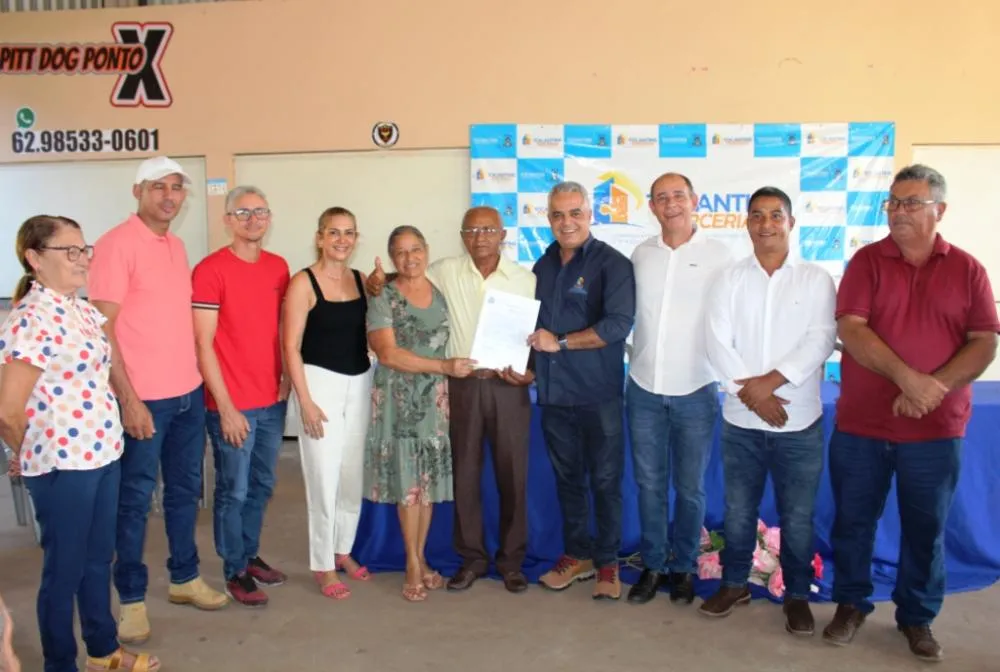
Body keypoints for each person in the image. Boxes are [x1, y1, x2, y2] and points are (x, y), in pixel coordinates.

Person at [823, 165, 999, 662]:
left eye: (911, 203)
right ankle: (851, 604)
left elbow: (984, 342)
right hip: (862, 427)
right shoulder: (866, 261)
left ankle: (917, 617)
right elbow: (852, 330)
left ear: (939, 210)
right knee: (853, 522)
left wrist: (934, 387)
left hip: (935, 430)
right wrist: (909, 379)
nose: (899, 212)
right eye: (894, 202)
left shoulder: (968, 269)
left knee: (926, 529)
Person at [0, 215, 160, 671]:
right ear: (34, 259)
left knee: (97, 560)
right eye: (68, 251)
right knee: (63, 572)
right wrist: (23, 455)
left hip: (103, 454)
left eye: (83, 249)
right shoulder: (30, 320)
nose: (81, 259)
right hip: (62, 465)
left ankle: (103, 652)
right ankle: (60, 663)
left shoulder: (83, 310)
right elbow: (8, 410)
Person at [88, 156, 228, 643]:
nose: (169, 196)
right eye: (157, 187)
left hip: (186, 393)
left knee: (185, 494)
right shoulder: (114, 245)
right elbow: (102, 331)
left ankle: (184, 578)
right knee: (133, 502)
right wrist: (127, 398)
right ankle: (130, 599)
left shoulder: (176, 244)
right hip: (145, 400)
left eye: (176, 188)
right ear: (137, 192)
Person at [366, 206, 537, 593]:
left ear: (503, 234)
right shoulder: (443, 271)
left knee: (513, 477)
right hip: (459, 387)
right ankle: (472, 559)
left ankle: (511, 562)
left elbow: (536, 332)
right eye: (472, 230)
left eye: (488, 229)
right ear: (462, 235)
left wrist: (533, 372)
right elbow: (404, 278)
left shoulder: (526, 279)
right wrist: (375, 282)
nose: (480, 237)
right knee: (464, 476)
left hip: (508, 386)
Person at [701, 187, 836, 635]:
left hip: (797, 421)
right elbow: (716, 342)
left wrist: (769, 385)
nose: (765, 224)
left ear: (791, 223)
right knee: (738, 510)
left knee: (798, 515)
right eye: (756, 216)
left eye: (775, 216)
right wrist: (753, 395)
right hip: (740, 421)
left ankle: (797, 594)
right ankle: (734, 582)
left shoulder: (816, 279)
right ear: (747, 224)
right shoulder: (729, 279)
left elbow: (819, 340)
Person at [626, 173, 735, 605]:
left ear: (695, 201)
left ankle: (684, 568)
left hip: (696, 387)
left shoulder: (720, 255)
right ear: (651, 206)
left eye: (678, 196)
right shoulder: (640, 254)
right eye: (660, 198)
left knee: (690, 488)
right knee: (649, 485)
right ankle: (653, 565)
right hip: (643, 388)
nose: (670, 204)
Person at [529, 181, 636, 601]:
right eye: (558, 214)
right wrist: (526, 367)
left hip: (599, 396)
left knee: (606, 481)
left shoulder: (613, 264)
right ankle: (577, 555)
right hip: (554, 396)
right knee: (568, 480)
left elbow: (618, 325)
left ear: (590, 215)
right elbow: (533, 328)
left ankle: (608, 562)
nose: (566, 222)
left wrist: (564, 341)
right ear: (549, 219)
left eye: (575, 212)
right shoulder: (543, 266)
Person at [364, 226, 476, 602]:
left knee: (425, 487)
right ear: (391, 257)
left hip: (434, 402)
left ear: (427, 251)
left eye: (415, 250)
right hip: (399, 400)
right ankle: (412, 563)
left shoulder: (441, 292)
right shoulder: (384, 296)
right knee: (408, 487)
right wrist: (443, 367)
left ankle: (421, 556)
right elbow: (388, 354)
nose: (409, 258)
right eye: (400, 252)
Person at [192, 186, 291, 608]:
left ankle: (249, 555)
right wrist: (227, 407)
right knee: (232, 489)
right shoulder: (210, 270)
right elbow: (203, 343)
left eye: (261, 212)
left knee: (261, 485)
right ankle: (233, 569)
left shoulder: (279, 267)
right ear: (228, 220)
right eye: (244, 213)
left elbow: (285, 329)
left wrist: (285, 377)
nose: (253, 219)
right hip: (232, 405)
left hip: (272, 400)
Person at [283, 206, 373, 600]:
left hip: (361, 381)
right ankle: (321, 563)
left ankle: (342, 550)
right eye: (333, 233)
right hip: (319, 384)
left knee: (352, 476)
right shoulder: (302, 283)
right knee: (323, 477)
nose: (341, 240)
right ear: (319, 237)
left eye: (349, 233)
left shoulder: (361, 280)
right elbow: (289, 344)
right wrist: (303, 400)